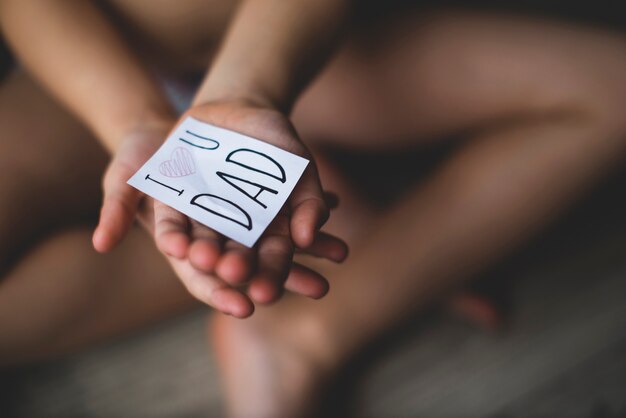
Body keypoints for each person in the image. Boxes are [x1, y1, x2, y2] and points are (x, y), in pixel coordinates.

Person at [0, 0, 625, 416]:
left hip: (293, 50)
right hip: (89, 72)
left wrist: (247, 88)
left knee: (614, 90)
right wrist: (136, 120)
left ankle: (310, 334)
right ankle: (339, 201)